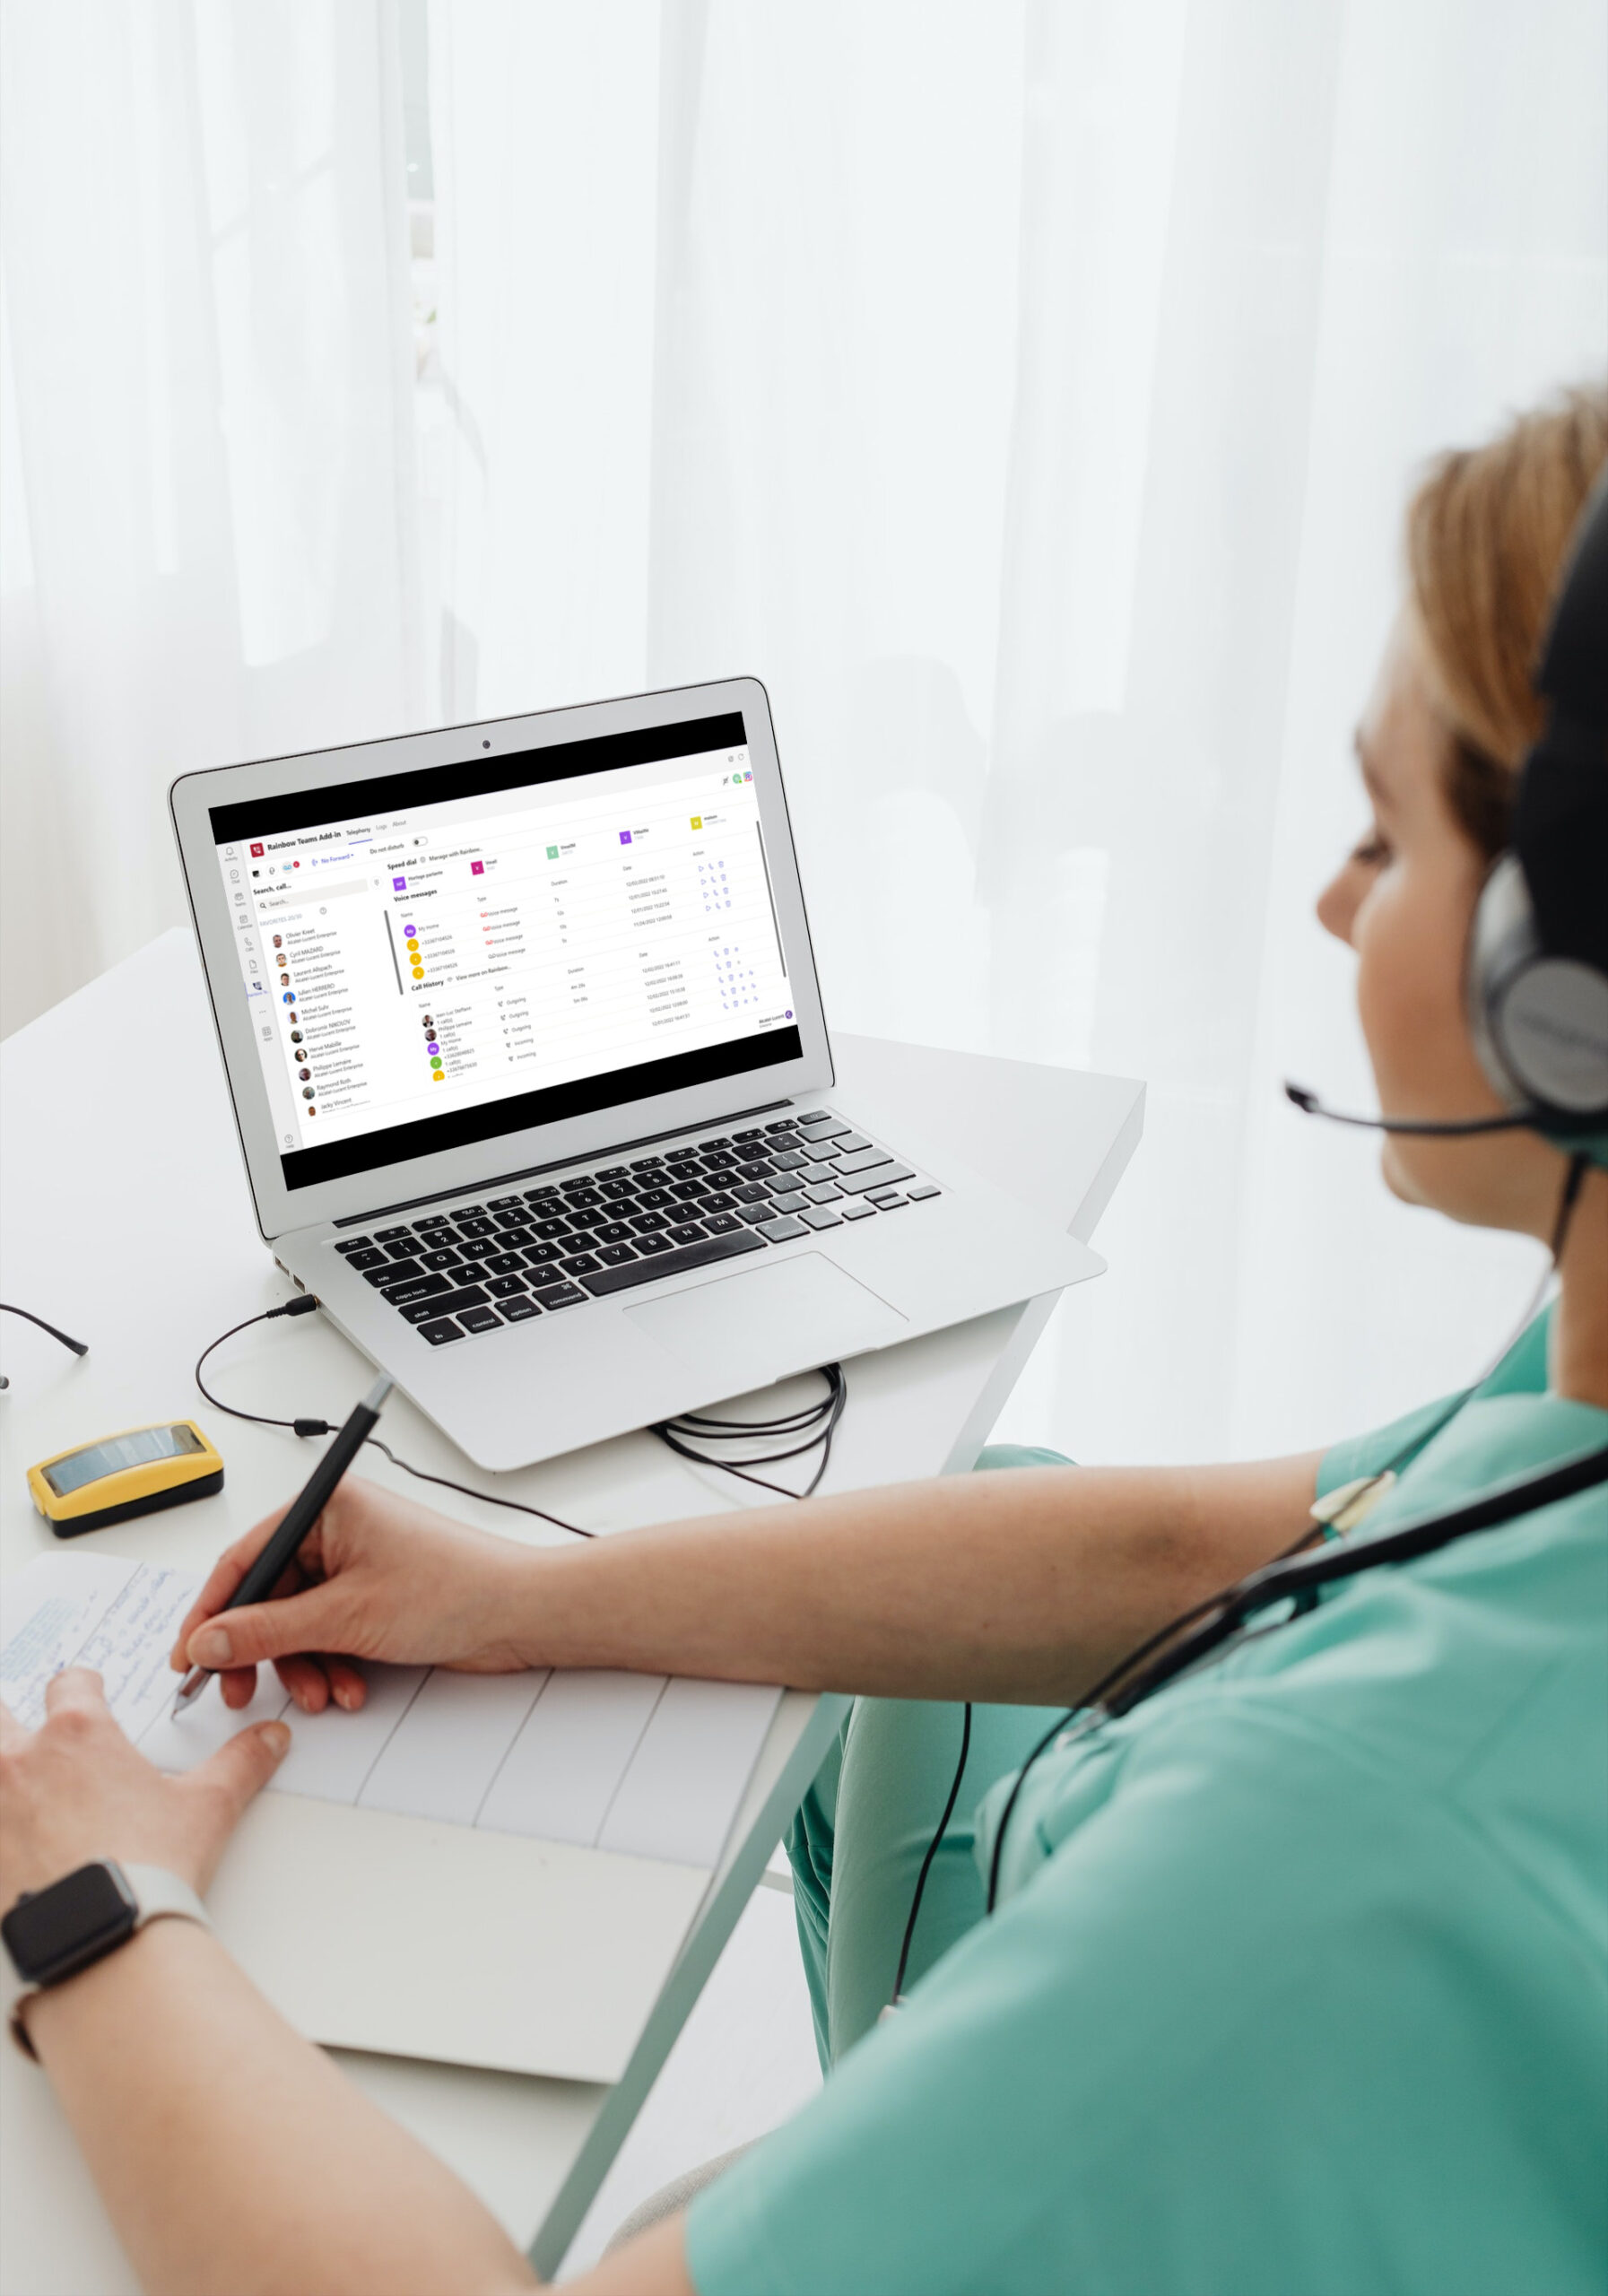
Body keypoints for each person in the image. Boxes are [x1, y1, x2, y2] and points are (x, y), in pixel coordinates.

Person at [3, 389, 1605, 2296]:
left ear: (1562, 981)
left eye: (1389, 828)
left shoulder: (1328, 1847)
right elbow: (1226, 1547)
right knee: (995, 1489)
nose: (1336, 896)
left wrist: (92, 1913)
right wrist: (509, 1594)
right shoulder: (1559, 1417)